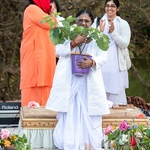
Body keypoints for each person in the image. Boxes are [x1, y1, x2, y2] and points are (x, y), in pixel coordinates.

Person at [46, 9, 110, 150]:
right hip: (70, 82)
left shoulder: (97, 36)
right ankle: (69, 143)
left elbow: (103, 56)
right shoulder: (67, 33)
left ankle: (89, 145)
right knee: (70, 112)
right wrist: (74, 42)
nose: (83, 23)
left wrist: (92, 63)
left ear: (92, 23)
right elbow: (59, 51)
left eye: (87, 21)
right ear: (75, 21)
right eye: (80, 20)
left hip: (89, 82)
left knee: (89, 112)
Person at [93, 0, 131, 106]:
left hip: (116, 68)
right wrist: (99, 32)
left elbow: (124, 44)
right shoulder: (98, 22)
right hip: (101, 67)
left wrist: (113, 32)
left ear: (117, 8)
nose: (109, 8)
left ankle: (115, 122)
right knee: (100, 96)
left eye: (112, 6)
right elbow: (92, 44)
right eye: (107, 6)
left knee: (115, 101)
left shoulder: (123, 24)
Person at [20, 0, 58, 106]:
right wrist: (53, 15)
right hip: (35, 63)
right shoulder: (32, 9)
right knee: (32, 101)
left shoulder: (39, 12)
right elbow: (49, 23)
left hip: (43, 64)